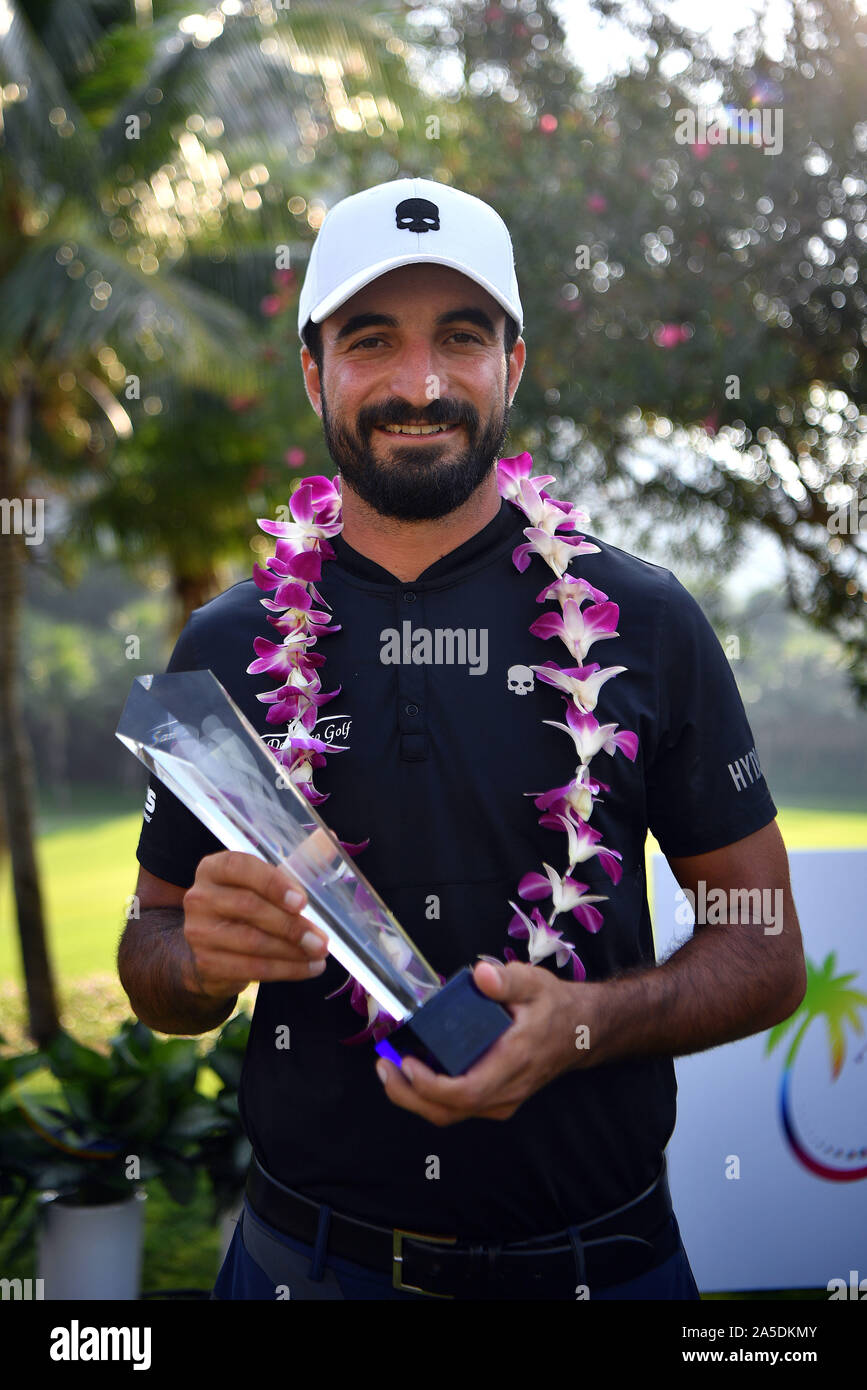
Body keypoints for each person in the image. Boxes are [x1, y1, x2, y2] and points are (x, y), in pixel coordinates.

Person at [120, 176, 807, 1301]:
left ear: (514, 364)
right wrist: (195, 958)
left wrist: (585, 1024)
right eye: (372, 340)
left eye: (462, 337)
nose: (420, 383)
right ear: (314, 370)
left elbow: (765, 945)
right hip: (308, 1266)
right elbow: (151, 952)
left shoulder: (645, 620)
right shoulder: (223, 644)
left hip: (602, 1266)